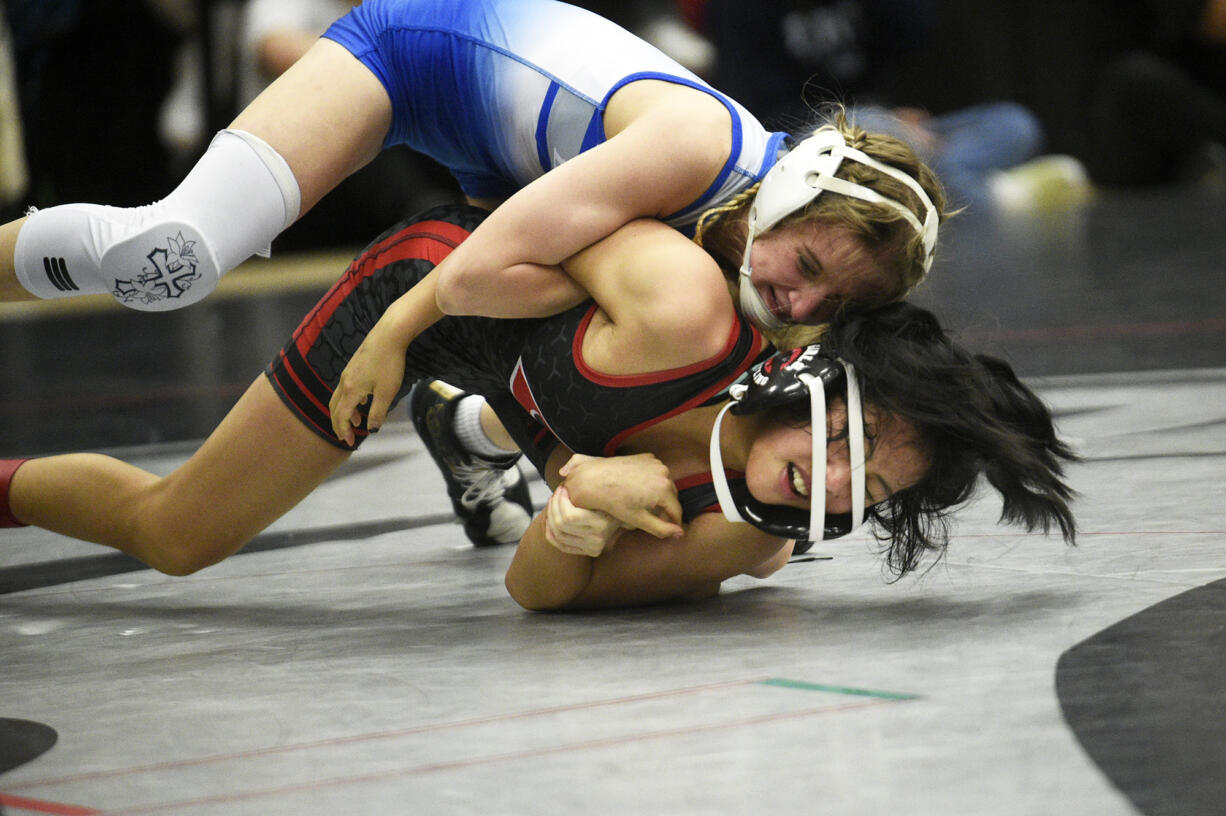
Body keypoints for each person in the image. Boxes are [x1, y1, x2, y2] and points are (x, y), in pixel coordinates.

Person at [0, 205, 1075, 610]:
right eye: (845, 442)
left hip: (547, 403)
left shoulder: (734, 540)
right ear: (809, 380)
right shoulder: (687, 309)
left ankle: (469, 434)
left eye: (868, 489)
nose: (829, 483)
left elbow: (537, 592)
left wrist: (578, 517)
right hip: (439, 301)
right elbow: (508, 229)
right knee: (181, 534)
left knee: (569, 442)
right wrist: (394, 330)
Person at [0, 0, 942, 336]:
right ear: (795, 189)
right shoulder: (697, 150)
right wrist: (394, 333)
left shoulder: (746, 203)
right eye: (812, 272)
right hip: (402, 57)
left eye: (834, 304)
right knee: (171, 257)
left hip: (480, 140)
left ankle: (476, 446)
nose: (802, 307)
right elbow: (473, 276)